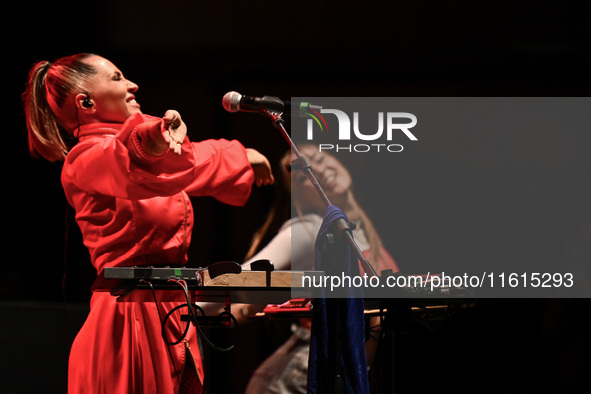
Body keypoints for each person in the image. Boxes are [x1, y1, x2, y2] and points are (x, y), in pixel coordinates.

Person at [22, 52, 274, 394]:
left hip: (170, 312)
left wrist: (238, 157)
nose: (131, 85)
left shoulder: (148, 160)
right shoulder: (85, 159)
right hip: (128, 319)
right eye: (116, 78)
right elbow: (129, 160)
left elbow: (185, 166)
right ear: (86, 102)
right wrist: (154, 137)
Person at [240, 144, 399, 393]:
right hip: (308, 372)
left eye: (320, 158)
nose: (319, 170)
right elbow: (238, 282)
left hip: (349, 372)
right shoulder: (311, 230)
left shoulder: (364, 234)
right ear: (299, 197)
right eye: (304, 174)